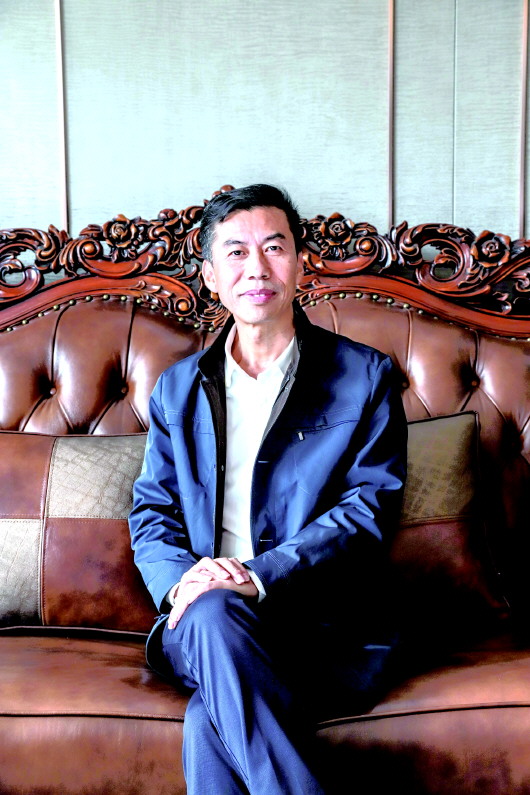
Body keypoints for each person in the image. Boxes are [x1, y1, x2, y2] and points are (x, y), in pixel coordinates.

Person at [129, 184, 407, 794]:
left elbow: (368, 508)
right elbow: (153, 511)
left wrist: (258, 576)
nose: (256, 268)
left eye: (274, 248)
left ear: (301, 263)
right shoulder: (178, 389)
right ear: (210, 277)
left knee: (209, 722)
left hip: (324, 628)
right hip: (204, 618)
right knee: (212, 614)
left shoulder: (364, 377)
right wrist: (183, 583)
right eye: (235, 252)